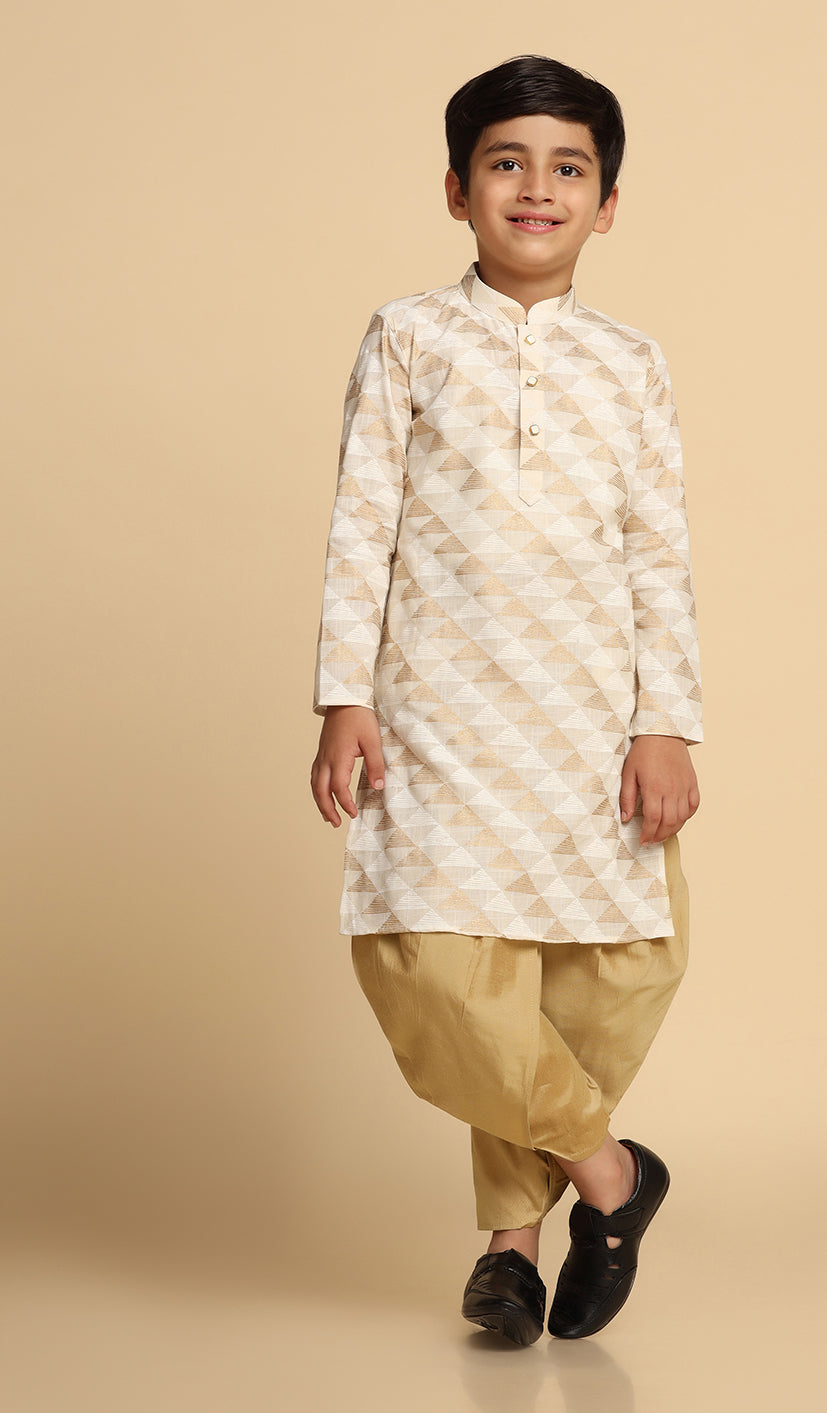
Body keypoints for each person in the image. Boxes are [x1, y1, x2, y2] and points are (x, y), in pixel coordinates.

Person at [310, 53, 704, 1345]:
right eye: (506, 162)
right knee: (435, 968)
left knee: (591, 984)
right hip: (436, 713)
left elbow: (657, 553)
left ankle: (510, 1248)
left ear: (608, 203)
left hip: (589, 720)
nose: (537, 187)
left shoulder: (633, 364)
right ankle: (613, 1176)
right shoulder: (409, 336)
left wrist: (664, 722)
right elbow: (362, 522)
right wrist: (344, 695)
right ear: (456, 189)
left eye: (568, 167)